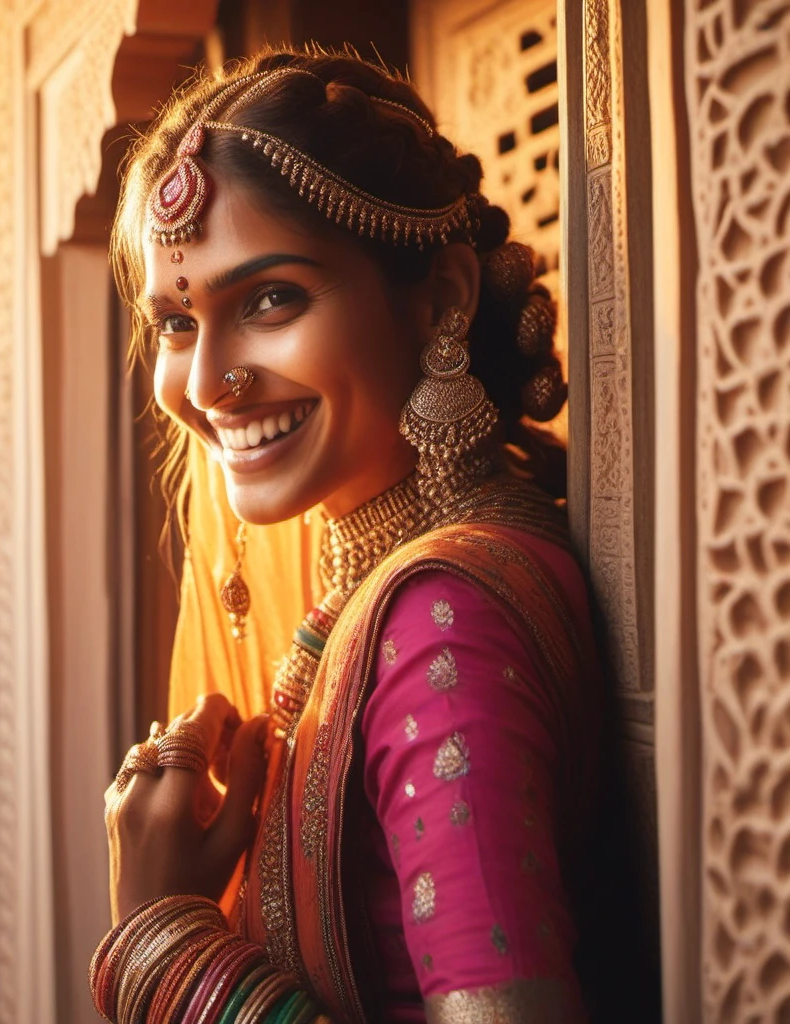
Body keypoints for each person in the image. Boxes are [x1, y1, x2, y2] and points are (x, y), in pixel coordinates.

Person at [91, 46, 603, 1024]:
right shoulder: (401, 585)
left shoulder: (441, 620)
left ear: (442, 299)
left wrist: (166, 936)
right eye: (178, 322)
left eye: (270, 299)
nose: (204, 388)